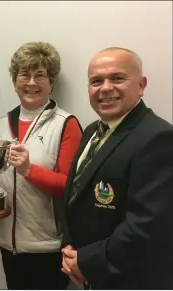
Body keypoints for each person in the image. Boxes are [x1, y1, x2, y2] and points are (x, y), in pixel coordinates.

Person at [61, 47, 173, 289]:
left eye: (117, 78)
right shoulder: (92, 130)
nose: (105, 88)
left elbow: (147, 227)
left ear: (141, 85)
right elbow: (75, 195)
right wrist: (70, 251)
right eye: (96, 81)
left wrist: (86, 261)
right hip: (86, 270)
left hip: (128, 277)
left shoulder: (158, 138)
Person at [0, 42, 82, 290]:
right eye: (24, 75)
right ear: (14, 81)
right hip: (6, 242)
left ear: (51, 82)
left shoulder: (66, 124)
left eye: (40, 75)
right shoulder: (0, 124)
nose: (31, 83)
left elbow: (70, 187)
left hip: (47, 246)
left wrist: (30, 170)